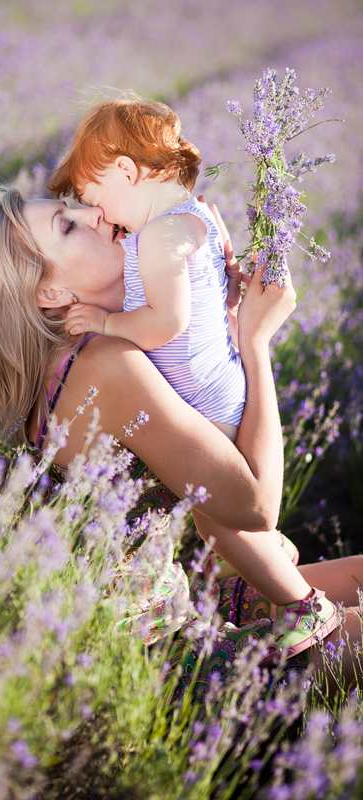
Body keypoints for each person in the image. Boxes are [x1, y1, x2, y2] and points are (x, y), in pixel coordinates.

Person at [0, 183, 362, 695]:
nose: (95, 213)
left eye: (75, 207)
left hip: (171, 605)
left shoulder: (77, 358)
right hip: (154, 668)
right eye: (67, 225)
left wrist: (216, 314)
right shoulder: (102, 365)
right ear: (51, 294)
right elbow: (256, 505)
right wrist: (255, 342)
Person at [45, 95, 338, 658]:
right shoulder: (193, 216)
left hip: (203, 395)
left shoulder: (155, 238)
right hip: (215, 381)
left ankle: (304, 606)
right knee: (215, 523)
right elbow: (213, 284)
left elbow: (166, 323)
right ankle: (265, 561)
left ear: (126, 171)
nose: (102, 216)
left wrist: (105, 321)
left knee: (219, 522)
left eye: (94, 199)